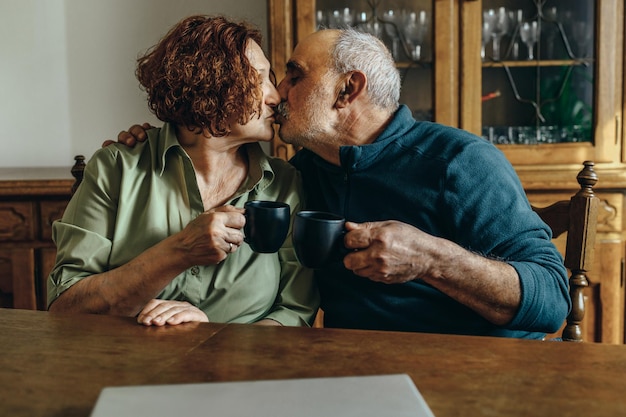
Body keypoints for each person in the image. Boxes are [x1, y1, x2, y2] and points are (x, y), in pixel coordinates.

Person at [116, 28, 570, 339]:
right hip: (354, 369)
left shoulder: (461, 162)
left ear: (347, 90)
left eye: (294, 75)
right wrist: (159, 137)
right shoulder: (302, 173)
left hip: (479, 373)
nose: (277, 92)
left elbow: (552, 300)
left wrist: (433, 258)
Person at [47, 15, 318, 327]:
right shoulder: (116, 169)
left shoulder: (286, 184)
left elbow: (296, 313)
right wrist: (179, 251)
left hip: (244, 371)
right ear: (212, 84)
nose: (276, 96)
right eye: (261, 78)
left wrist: (213, 340)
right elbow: (65, 309)